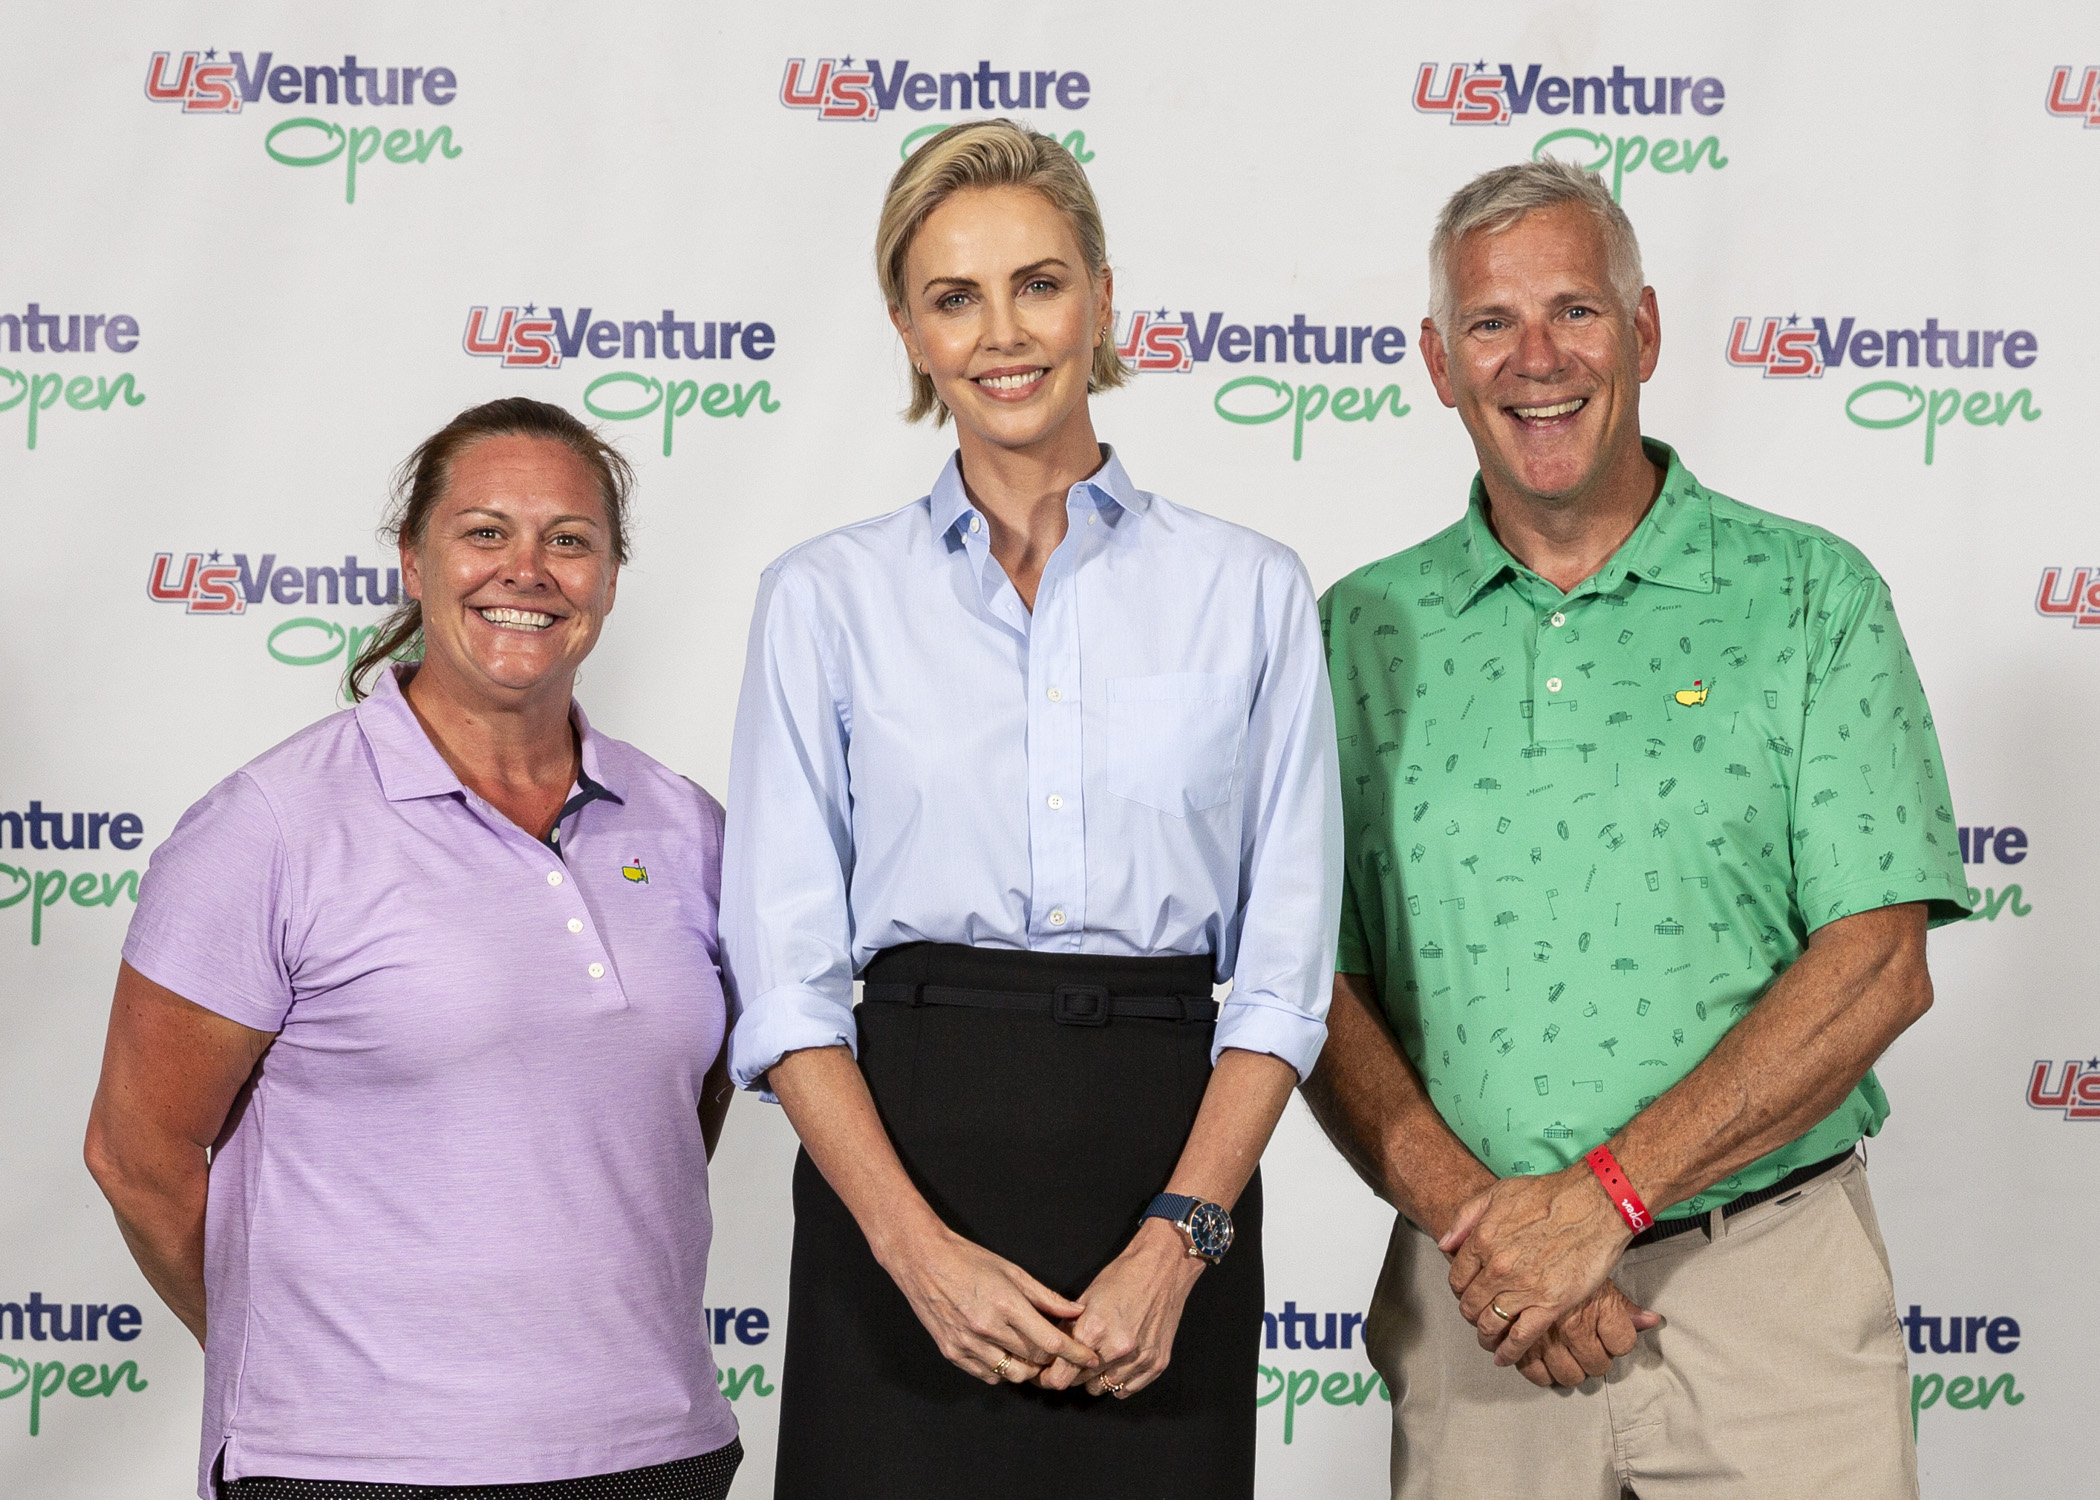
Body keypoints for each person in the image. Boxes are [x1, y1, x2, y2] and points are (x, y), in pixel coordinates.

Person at [1303, 159, 1970, 1500]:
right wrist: (1494, 1236)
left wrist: (1604, 1200)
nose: (1536, 358)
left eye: (1576, 310)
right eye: (1491, 322)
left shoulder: (1809, 596)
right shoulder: (1356, 633)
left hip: (1766, 1298)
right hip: (1482, 1312)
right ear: (1438, 363)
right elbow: (1311, 980)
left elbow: (1880, 965)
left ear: (1645, 330)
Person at [720, 120, 1342, 1499]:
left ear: (1102, 300)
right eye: (955, 297)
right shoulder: (823, 600)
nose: (1003, 333)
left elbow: (1286, 971)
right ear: (909, 332)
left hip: (1165, 1190)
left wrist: (1179, 1241)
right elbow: (783, 978)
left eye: (1039, 284)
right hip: (899, 1190)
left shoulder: (1249, 591)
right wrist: (911, 1251)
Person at [83, 398, 744, 1500]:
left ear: (610, 578)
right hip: (354, 1469)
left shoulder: (687, 827)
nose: (526, 569)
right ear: (413, 559)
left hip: (656, 1451)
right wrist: (304, 1361)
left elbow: (673, 1115)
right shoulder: (272, 826)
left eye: (568, 539)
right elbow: (135, 1154)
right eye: (485, 532)